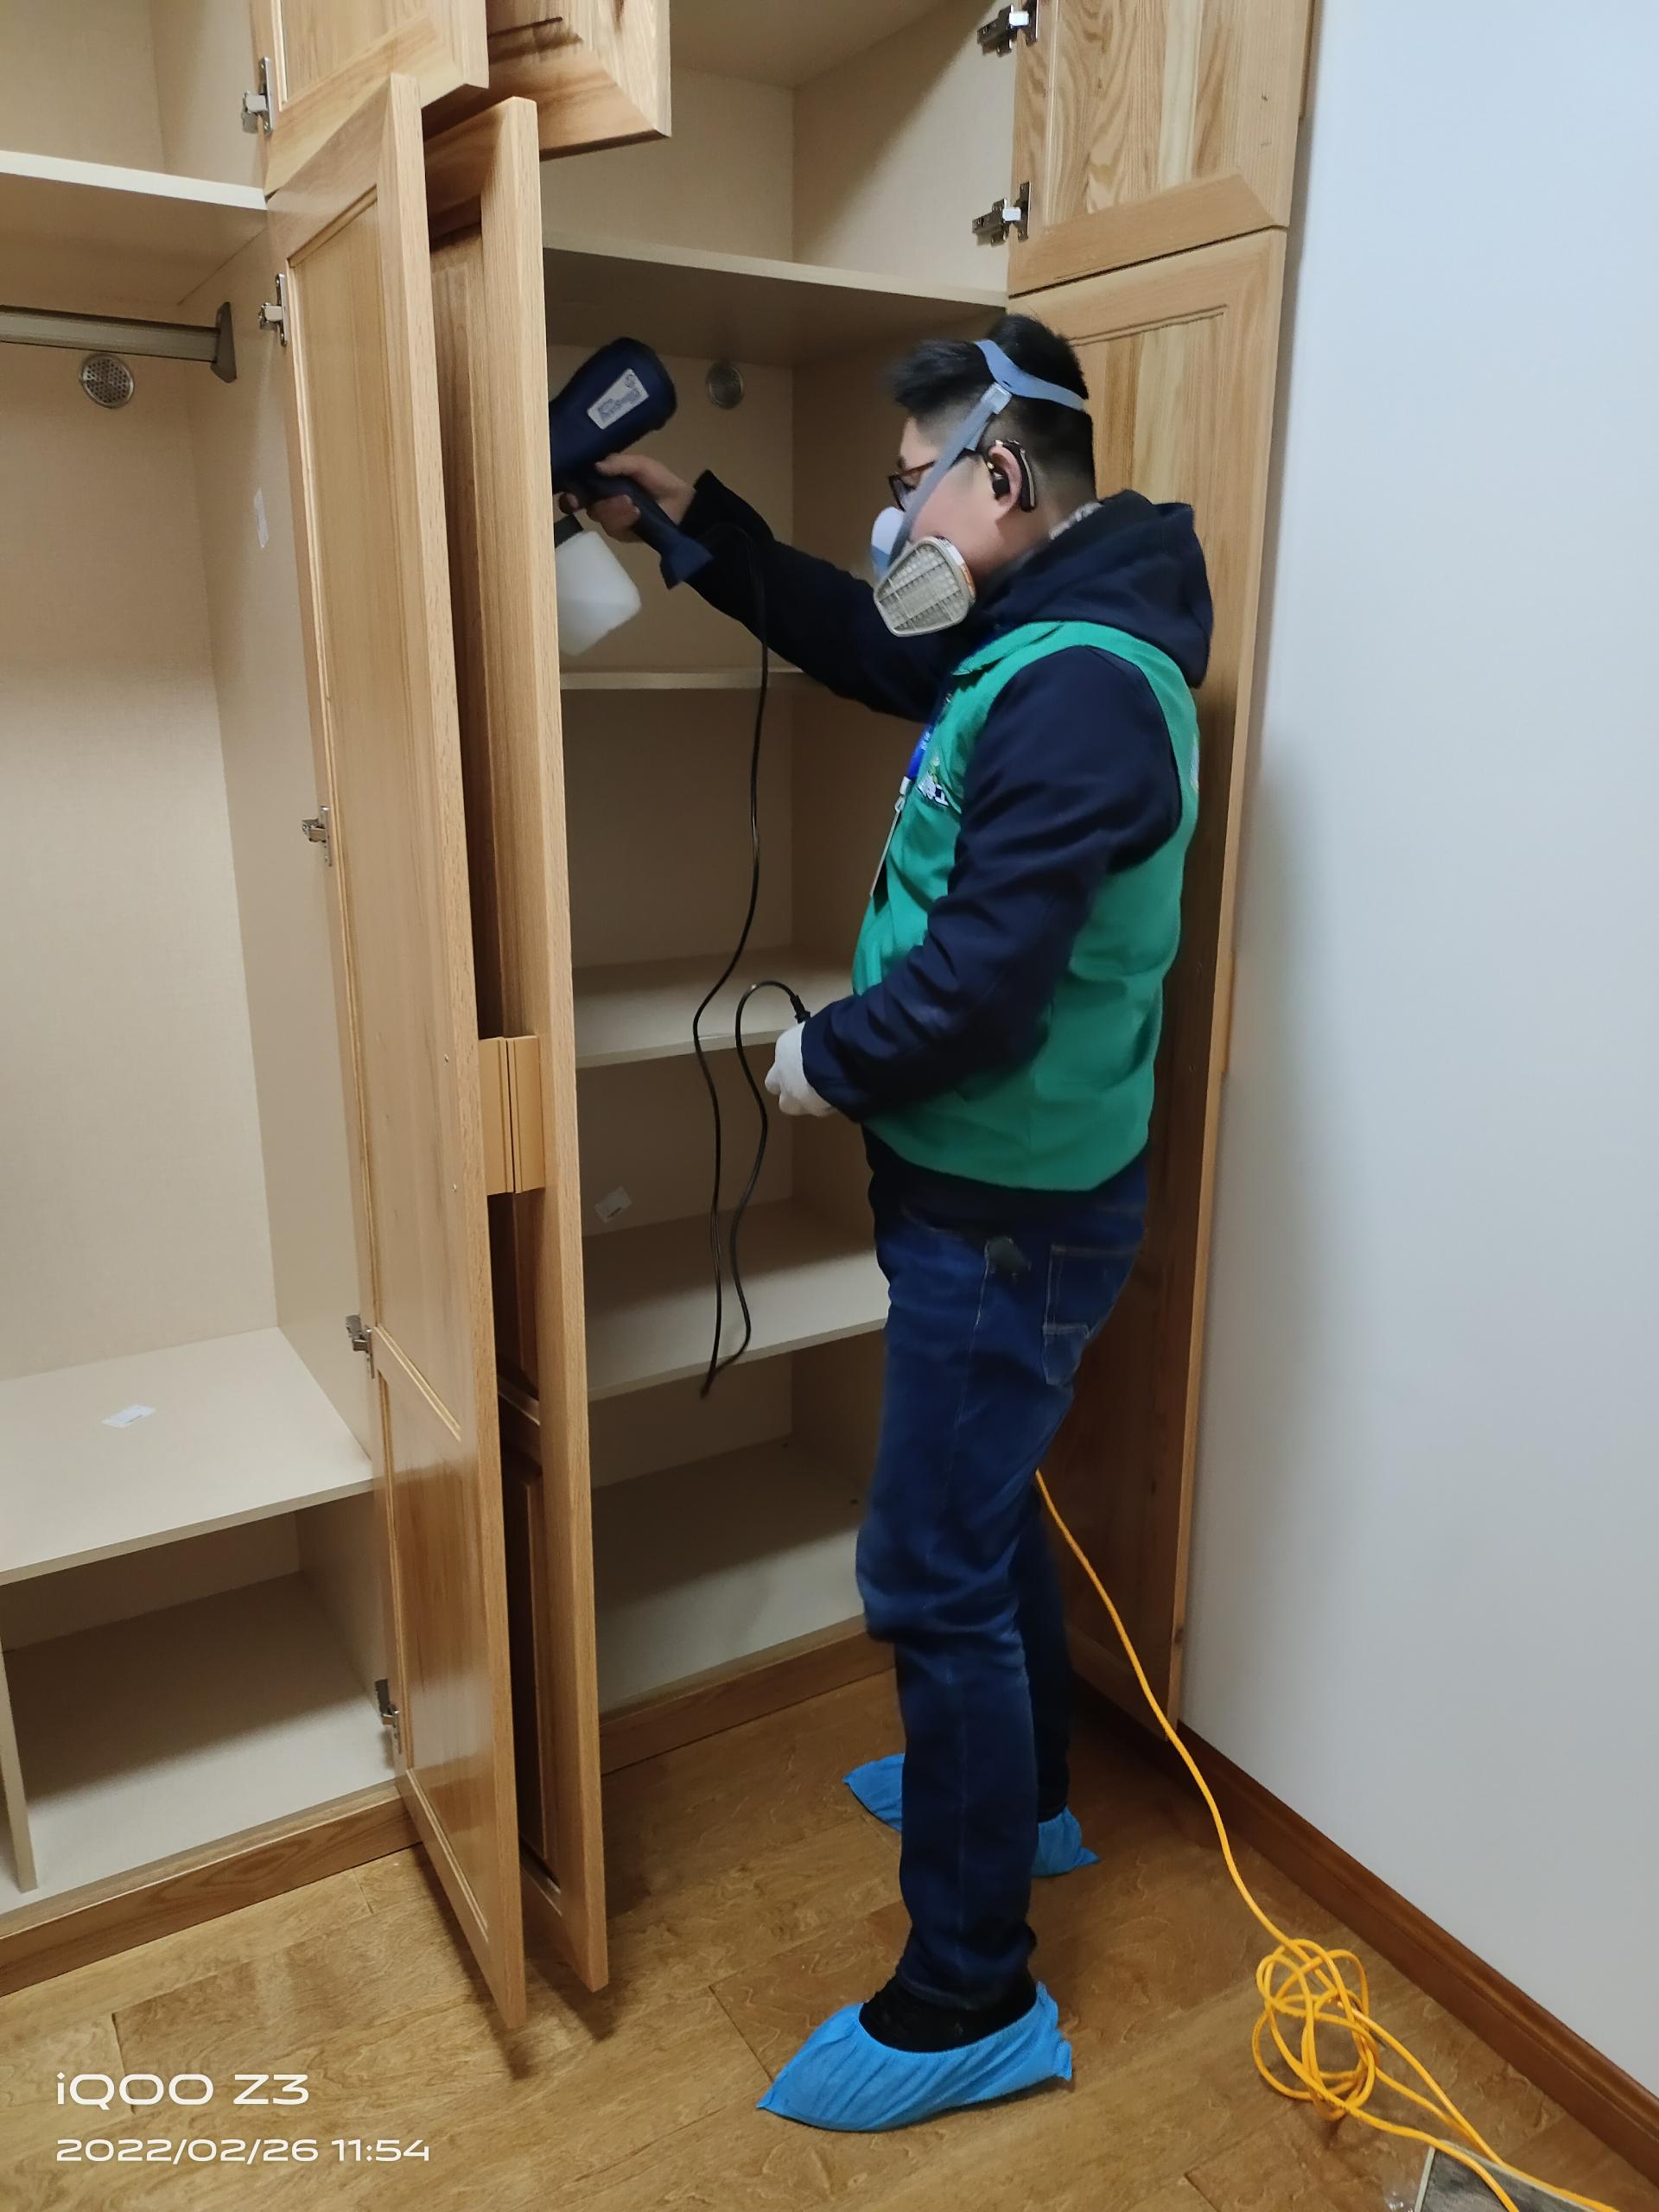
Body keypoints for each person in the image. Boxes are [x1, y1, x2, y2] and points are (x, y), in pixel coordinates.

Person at [577, 314, 1212, 2132]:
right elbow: (866, 639)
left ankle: (969, 1992)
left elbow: (989, 986)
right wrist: (687, 523)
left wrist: (824, 1059)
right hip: (991, 1191)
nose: (891, 519)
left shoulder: (1084, 688)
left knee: (926, 1568)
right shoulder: (1034, 629)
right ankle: (1030, 1804)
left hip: (1014, 1213)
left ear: (999, 475)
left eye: (908, 482)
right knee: (979, 1518)